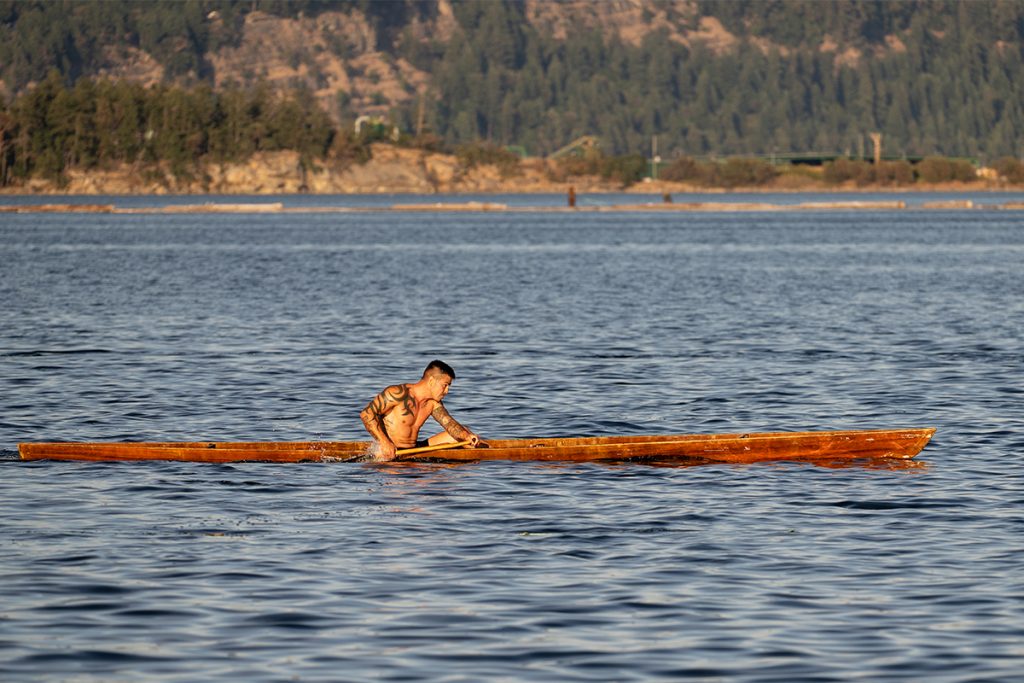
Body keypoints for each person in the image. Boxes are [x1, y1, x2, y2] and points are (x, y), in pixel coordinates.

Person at [360, 360, 481, 461]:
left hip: (414, 449)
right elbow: (367, 414)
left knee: (464, 432)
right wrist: (384, 442)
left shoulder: (433, 403)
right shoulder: (398, 393)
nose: (447, 391)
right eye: (445, 385)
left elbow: (449, 423)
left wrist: (466, 436)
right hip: (391, 451)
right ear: (431, 381)